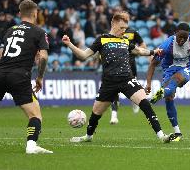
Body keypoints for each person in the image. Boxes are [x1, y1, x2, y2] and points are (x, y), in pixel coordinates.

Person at [62, 11, 174, 143]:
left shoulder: (125, 41)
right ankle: (88, 136)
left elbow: (139, 50)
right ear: (113, 24)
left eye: (125, 29)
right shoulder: (102, 39)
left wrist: (153, 52)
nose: (123, 31)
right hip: (109, 83)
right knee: (95, 115)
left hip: (127, 79)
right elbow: (83, 55)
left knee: (145, 103)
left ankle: (162, 136)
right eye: (121, 28)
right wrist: (69, 44)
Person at [0, 0, 53, 154]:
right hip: (19, 76)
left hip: (0, 73)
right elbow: (43, 57)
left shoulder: (9, 30)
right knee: (35, 114)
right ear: (35, 14)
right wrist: (40, 77)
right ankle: (31, 146)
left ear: (19, 14)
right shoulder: (39, 32)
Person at [110, 27, 147, 124]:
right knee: (114, 90)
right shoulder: (113, 33)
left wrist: (138, 51)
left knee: (132, 86)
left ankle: (134, 102)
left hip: (130, 64)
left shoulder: (133, 32)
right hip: (116, 64)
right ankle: (114, 115)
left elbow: (142, 44)